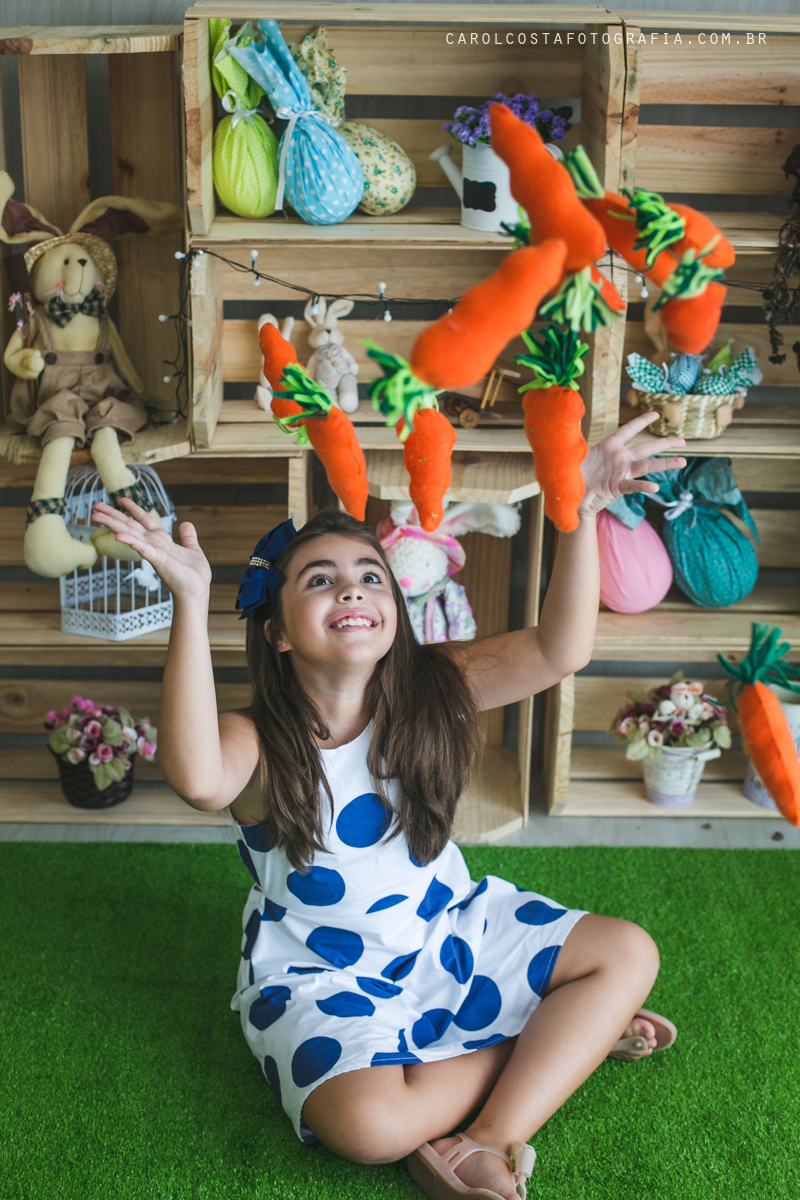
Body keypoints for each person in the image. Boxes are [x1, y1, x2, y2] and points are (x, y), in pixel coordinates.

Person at [92, 411, 686, 1200]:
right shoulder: (256, 740)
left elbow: (558, 649)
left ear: (395, 611)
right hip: (318, 979)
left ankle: (486, 1140)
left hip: (447, 931)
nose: (352, 588)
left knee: (630, 953)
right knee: (370, 1129)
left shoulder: (434, 685)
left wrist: (577, 509)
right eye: (320, 578)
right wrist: (191, 602)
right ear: (275, 634)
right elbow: (200, 779)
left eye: (371, 575)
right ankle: (555, 1042)